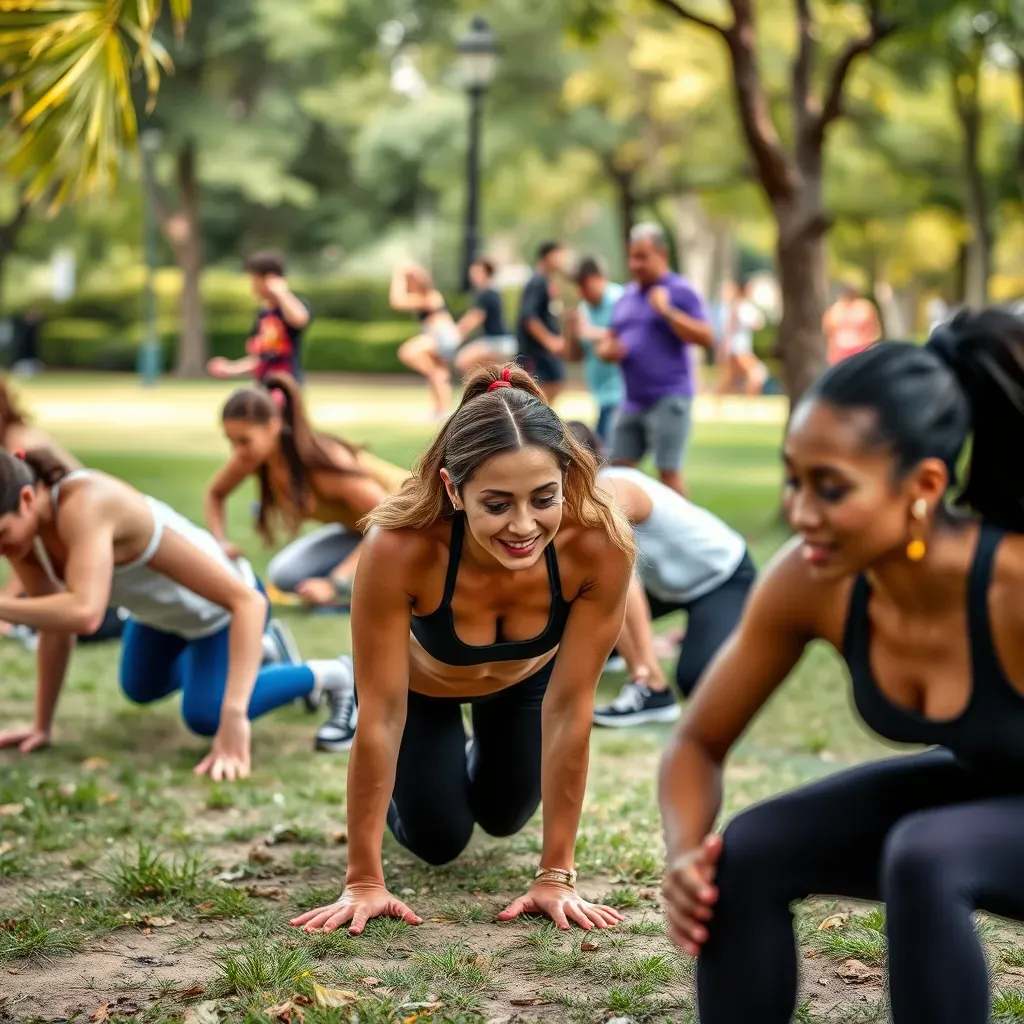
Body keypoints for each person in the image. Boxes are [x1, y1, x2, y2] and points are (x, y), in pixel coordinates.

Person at [659, 309, 1024, 1024]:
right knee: (747, 852)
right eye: (793, 481)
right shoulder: (813, 582)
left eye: (832, 489)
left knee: (927, 855)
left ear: (921, 485)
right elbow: (698, 744)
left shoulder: (1011, 588)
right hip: (990, 794)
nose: (801, 512)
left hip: (975, 828)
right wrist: (683, 856)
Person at [289, 363, 634, 937]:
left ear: (567, 478)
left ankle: (468, 757)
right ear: (453, 488)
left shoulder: (598, 543)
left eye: (542, 498)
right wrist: (363, 881)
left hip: (525, 684)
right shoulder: (400, 546)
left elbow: (571, 709)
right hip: (419, 692)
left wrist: (557, 876)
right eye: (496, 504)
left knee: (503, 816)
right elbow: (381, 715)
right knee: (440, 842)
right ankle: (433, 762)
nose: (523, 525)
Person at [0, 448, 353, 771]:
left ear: (28, 498)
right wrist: (40, 726)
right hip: (160, 619)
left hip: (227, 609)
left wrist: (234, 717)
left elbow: (85, 614)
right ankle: (256, 652)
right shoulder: (24, 539)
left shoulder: (86, 504)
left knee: (206, 715)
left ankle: (334, 673)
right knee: (140, 688)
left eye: (1, 532)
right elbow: (55, 625)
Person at [206, 374, 409, 750]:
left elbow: (387, 520)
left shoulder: (321, 460)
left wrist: (334, 581)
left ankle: (350, 668)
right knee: (285, 574)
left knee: (381, 597)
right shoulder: (260, 456)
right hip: (360, 528)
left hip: (410, 525)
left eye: (243, 441)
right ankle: (288, 642)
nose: (238, 451)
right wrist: (220, 542)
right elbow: (214, 493)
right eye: (231, 441)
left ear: (273, 426)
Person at [567, 422, 755, 726]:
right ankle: (613, 650)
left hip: (722, 578)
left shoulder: (613, 487)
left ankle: (652, 688)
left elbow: (617, 567)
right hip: (665, 585)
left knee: (698, 679)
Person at [598, 223, 713, 497]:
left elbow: (707, 337)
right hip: (633, 400)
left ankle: (684, 537)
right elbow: (609, 339)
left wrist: (667, 311)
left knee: (668, 472)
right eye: (632, 257)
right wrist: (607, 351)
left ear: (662, 255)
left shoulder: (679, 290)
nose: (635, 264)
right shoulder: (627, 296)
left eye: (642, 257)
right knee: (617, 471)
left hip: (669, 396)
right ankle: (625, 537)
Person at [207, 251, 312, 384]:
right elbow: (260, 358)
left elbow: (300, 319)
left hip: (287, 387)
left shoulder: (290, 307)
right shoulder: (263, 315)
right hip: (263, 385)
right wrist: (230, 369)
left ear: (269, 279)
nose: (253, 287)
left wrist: (281, 292)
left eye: (254, 280)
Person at [389, 262, 461, 420]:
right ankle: (441, 409)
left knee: (408, 353)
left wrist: (399, 275)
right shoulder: (426, 296)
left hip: (442, 337)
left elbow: (396, 301)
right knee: (438, 372)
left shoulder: (430, 296)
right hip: (442, 337)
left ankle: (441, 406)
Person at [571, 257, 625, 446]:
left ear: (598, 278)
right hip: (600, 393)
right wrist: (571, 332)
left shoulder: (619, 299)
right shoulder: (584, 308)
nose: (581, 292)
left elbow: (623, 336)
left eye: (584, 285)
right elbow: (575, 355)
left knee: (610, 458)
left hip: (622, 392)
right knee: (602, 456)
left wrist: (588, 332)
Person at [517, 242, 568, 405]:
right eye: (559, 255)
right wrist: (550, 342)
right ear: (548, 256)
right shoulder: (537, 281)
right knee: (538, 394)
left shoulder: (545, 281)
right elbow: (528, 317)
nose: (563, 260)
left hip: (544, 353)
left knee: (555, 385)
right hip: (536, 353)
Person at [453, 258, 517, 376]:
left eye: (476, 272)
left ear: (485, 273)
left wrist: (455, 334)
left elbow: (474, 318)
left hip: (496, 341)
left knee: (462, 360)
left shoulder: (486, 292)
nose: (472, 276)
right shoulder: (493, 291)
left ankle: (479, 390)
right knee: (490, 372)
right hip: (503, 341)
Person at [714, 278, 768, 396]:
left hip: (738, 348)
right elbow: (756, 324)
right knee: (756, 374)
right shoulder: (740, 307)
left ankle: (714, 399)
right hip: (739, 349)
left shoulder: (741, 306)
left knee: (728, 381)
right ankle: (750, 403)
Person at [823, 280, 881, 366]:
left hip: (860, 348)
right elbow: (828, 331)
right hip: (840, 351)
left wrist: (869, 343)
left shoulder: (864, 307)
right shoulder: (835, 309)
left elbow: (875, 330)